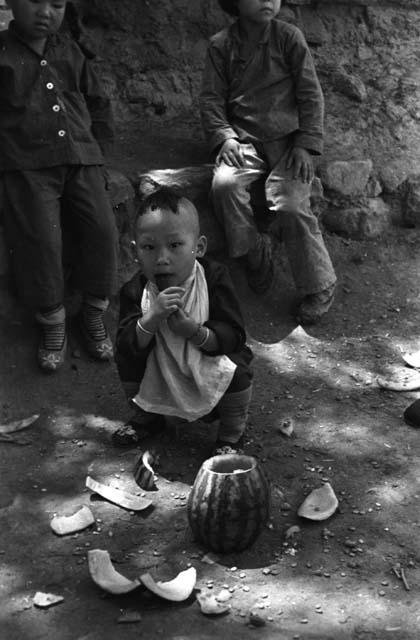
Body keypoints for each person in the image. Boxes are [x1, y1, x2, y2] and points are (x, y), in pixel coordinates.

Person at [200, 0, 337, 324]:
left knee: (290, 205)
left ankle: (320, 284)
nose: (267, 0)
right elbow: (211, 99)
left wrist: (306, 144)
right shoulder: (220, 46)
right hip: (244, 143)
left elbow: (310, 94)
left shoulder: (289, 37)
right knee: (224, 185)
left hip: (289, 145)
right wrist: (225, 137)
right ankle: (254, 251)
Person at [0, 0, 118, 372]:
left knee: (102, 230)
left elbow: (97, 101)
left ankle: (94, 312)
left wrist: (101, 152)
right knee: (41, 239)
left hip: (81, 157)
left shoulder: (69, 51)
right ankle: (53, 321)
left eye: (56, 3)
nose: (46, 12)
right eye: (35, 1)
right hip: (26, 164)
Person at [112, 187, 253, 455]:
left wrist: (194, 332)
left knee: (238, 369)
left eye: (175, 245)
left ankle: (231, 435)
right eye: (149, 248)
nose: (162, 258)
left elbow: (234, 334)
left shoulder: (213, 278)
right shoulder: (136, 290)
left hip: (206, 358)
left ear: (198, 247)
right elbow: (126, 344)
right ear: (135, 252)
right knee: (127, 363)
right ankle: (148, 418)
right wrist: (152, 317)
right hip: (158, 365)